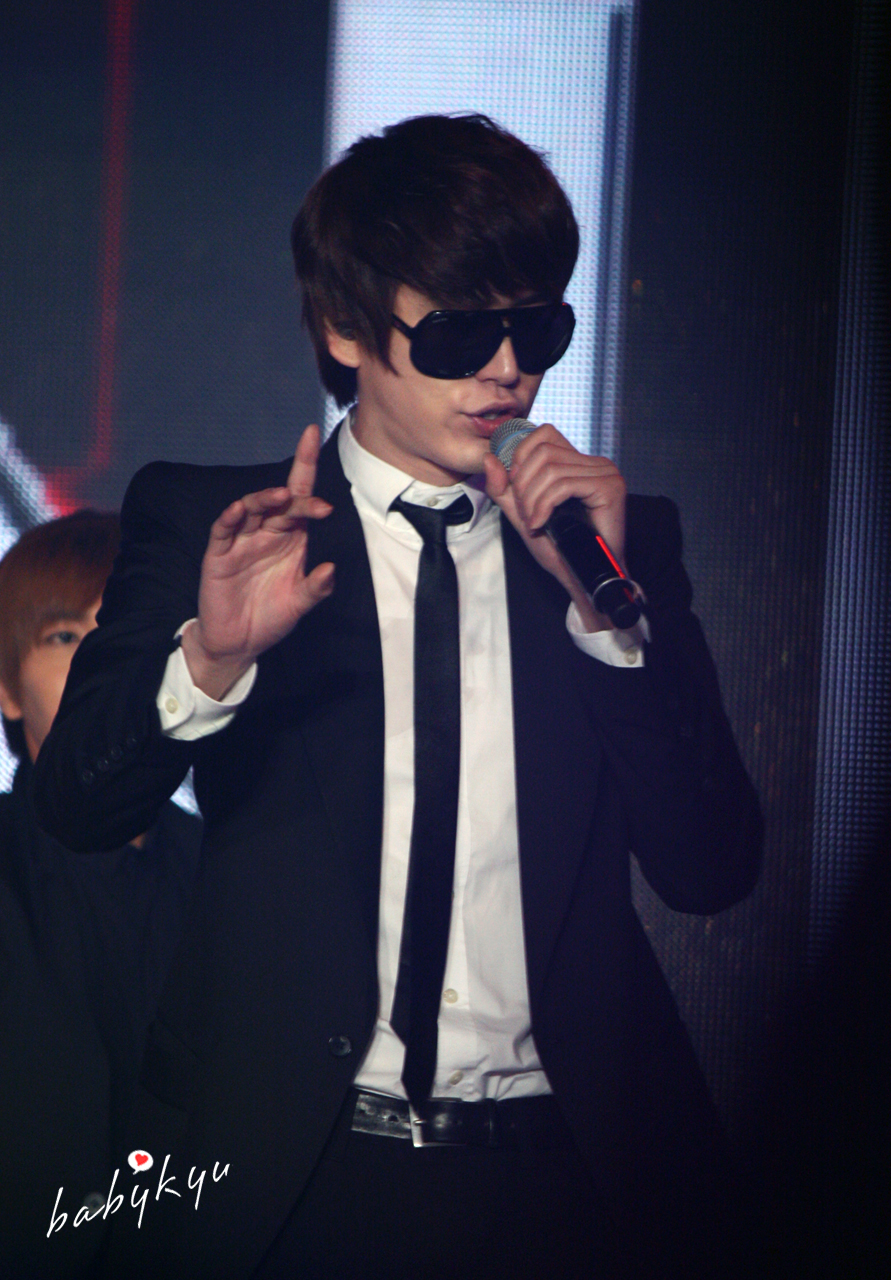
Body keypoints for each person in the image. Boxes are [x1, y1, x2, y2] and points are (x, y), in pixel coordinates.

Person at [34, 115, 763, 1278]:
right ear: (343, 328)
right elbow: (75, 804)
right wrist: (208, 658)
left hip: (568, 1173)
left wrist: (604, 618)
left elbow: (713, 866)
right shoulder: (218, 521)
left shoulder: (617, 544)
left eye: (538, 327)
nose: (507, 367)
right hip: (290, 1173)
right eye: (462, 330)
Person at [0, 511, 201, 1278]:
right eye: (63, 636)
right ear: (6, 688)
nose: (97, 662)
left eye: (118, 631)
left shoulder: (232, 871)